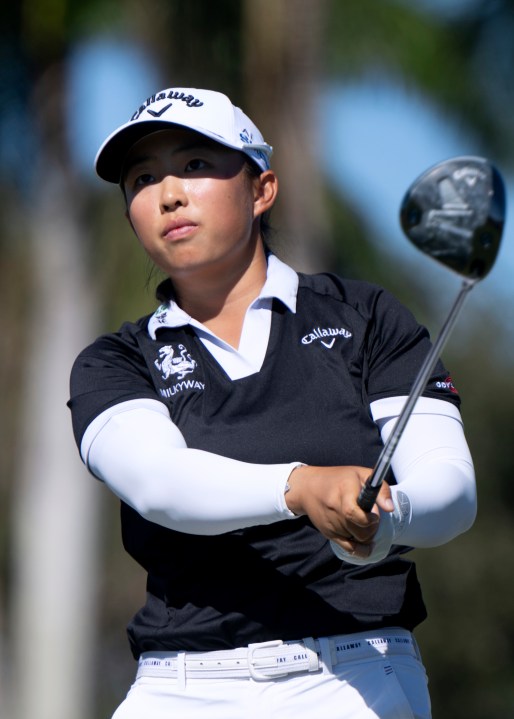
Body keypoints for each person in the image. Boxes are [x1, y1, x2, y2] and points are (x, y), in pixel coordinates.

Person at [68, 86, 477, 719]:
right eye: (143, 179)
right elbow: (160, 484)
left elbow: (450, 489)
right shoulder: (114, 361)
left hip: (356, 675)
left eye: (196, 166)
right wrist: (301, 487)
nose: (169, 193)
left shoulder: (367, 319)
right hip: (180, 688)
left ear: (262, 190)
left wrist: (384, 522)